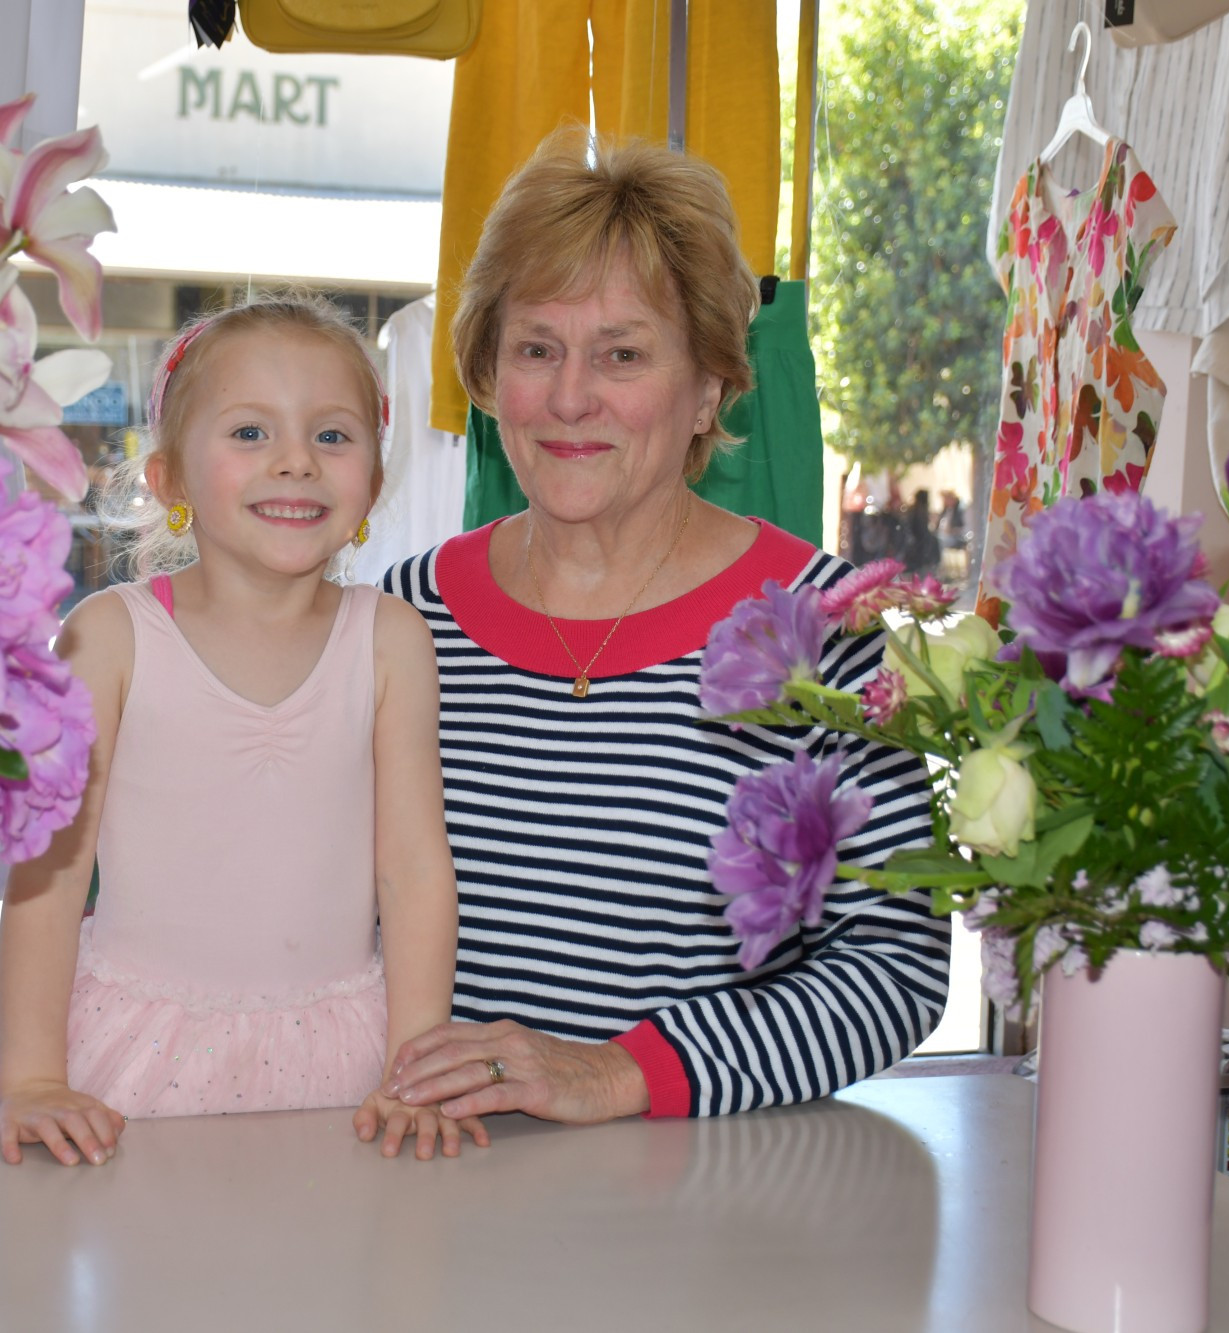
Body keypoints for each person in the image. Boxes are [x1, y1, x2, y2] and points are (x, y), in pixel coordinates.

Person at [377, 134, 950, 1124]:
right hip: (422, 1185)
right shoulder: (400, 619)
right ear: (487, 372)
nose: (567, 397)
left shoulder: (818, 629)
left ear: (707, 387)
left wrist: (617, 1071)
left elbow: (891, 966)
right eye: (535, 349)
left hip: (693, 1220)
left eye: (622, 354)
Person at [0, 297, 484, 1164]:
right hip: (131, 1054)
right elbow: (51, 869)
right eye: (249, 433)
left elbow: (416, 870)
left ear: (373, 488)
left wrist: (414, 1064)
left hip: (341, 1055)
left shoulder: (392, 639)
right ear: (167, 481)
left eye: (333, 436)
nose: (295, 462)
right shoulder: (108, 636)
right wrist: (34, 1076)